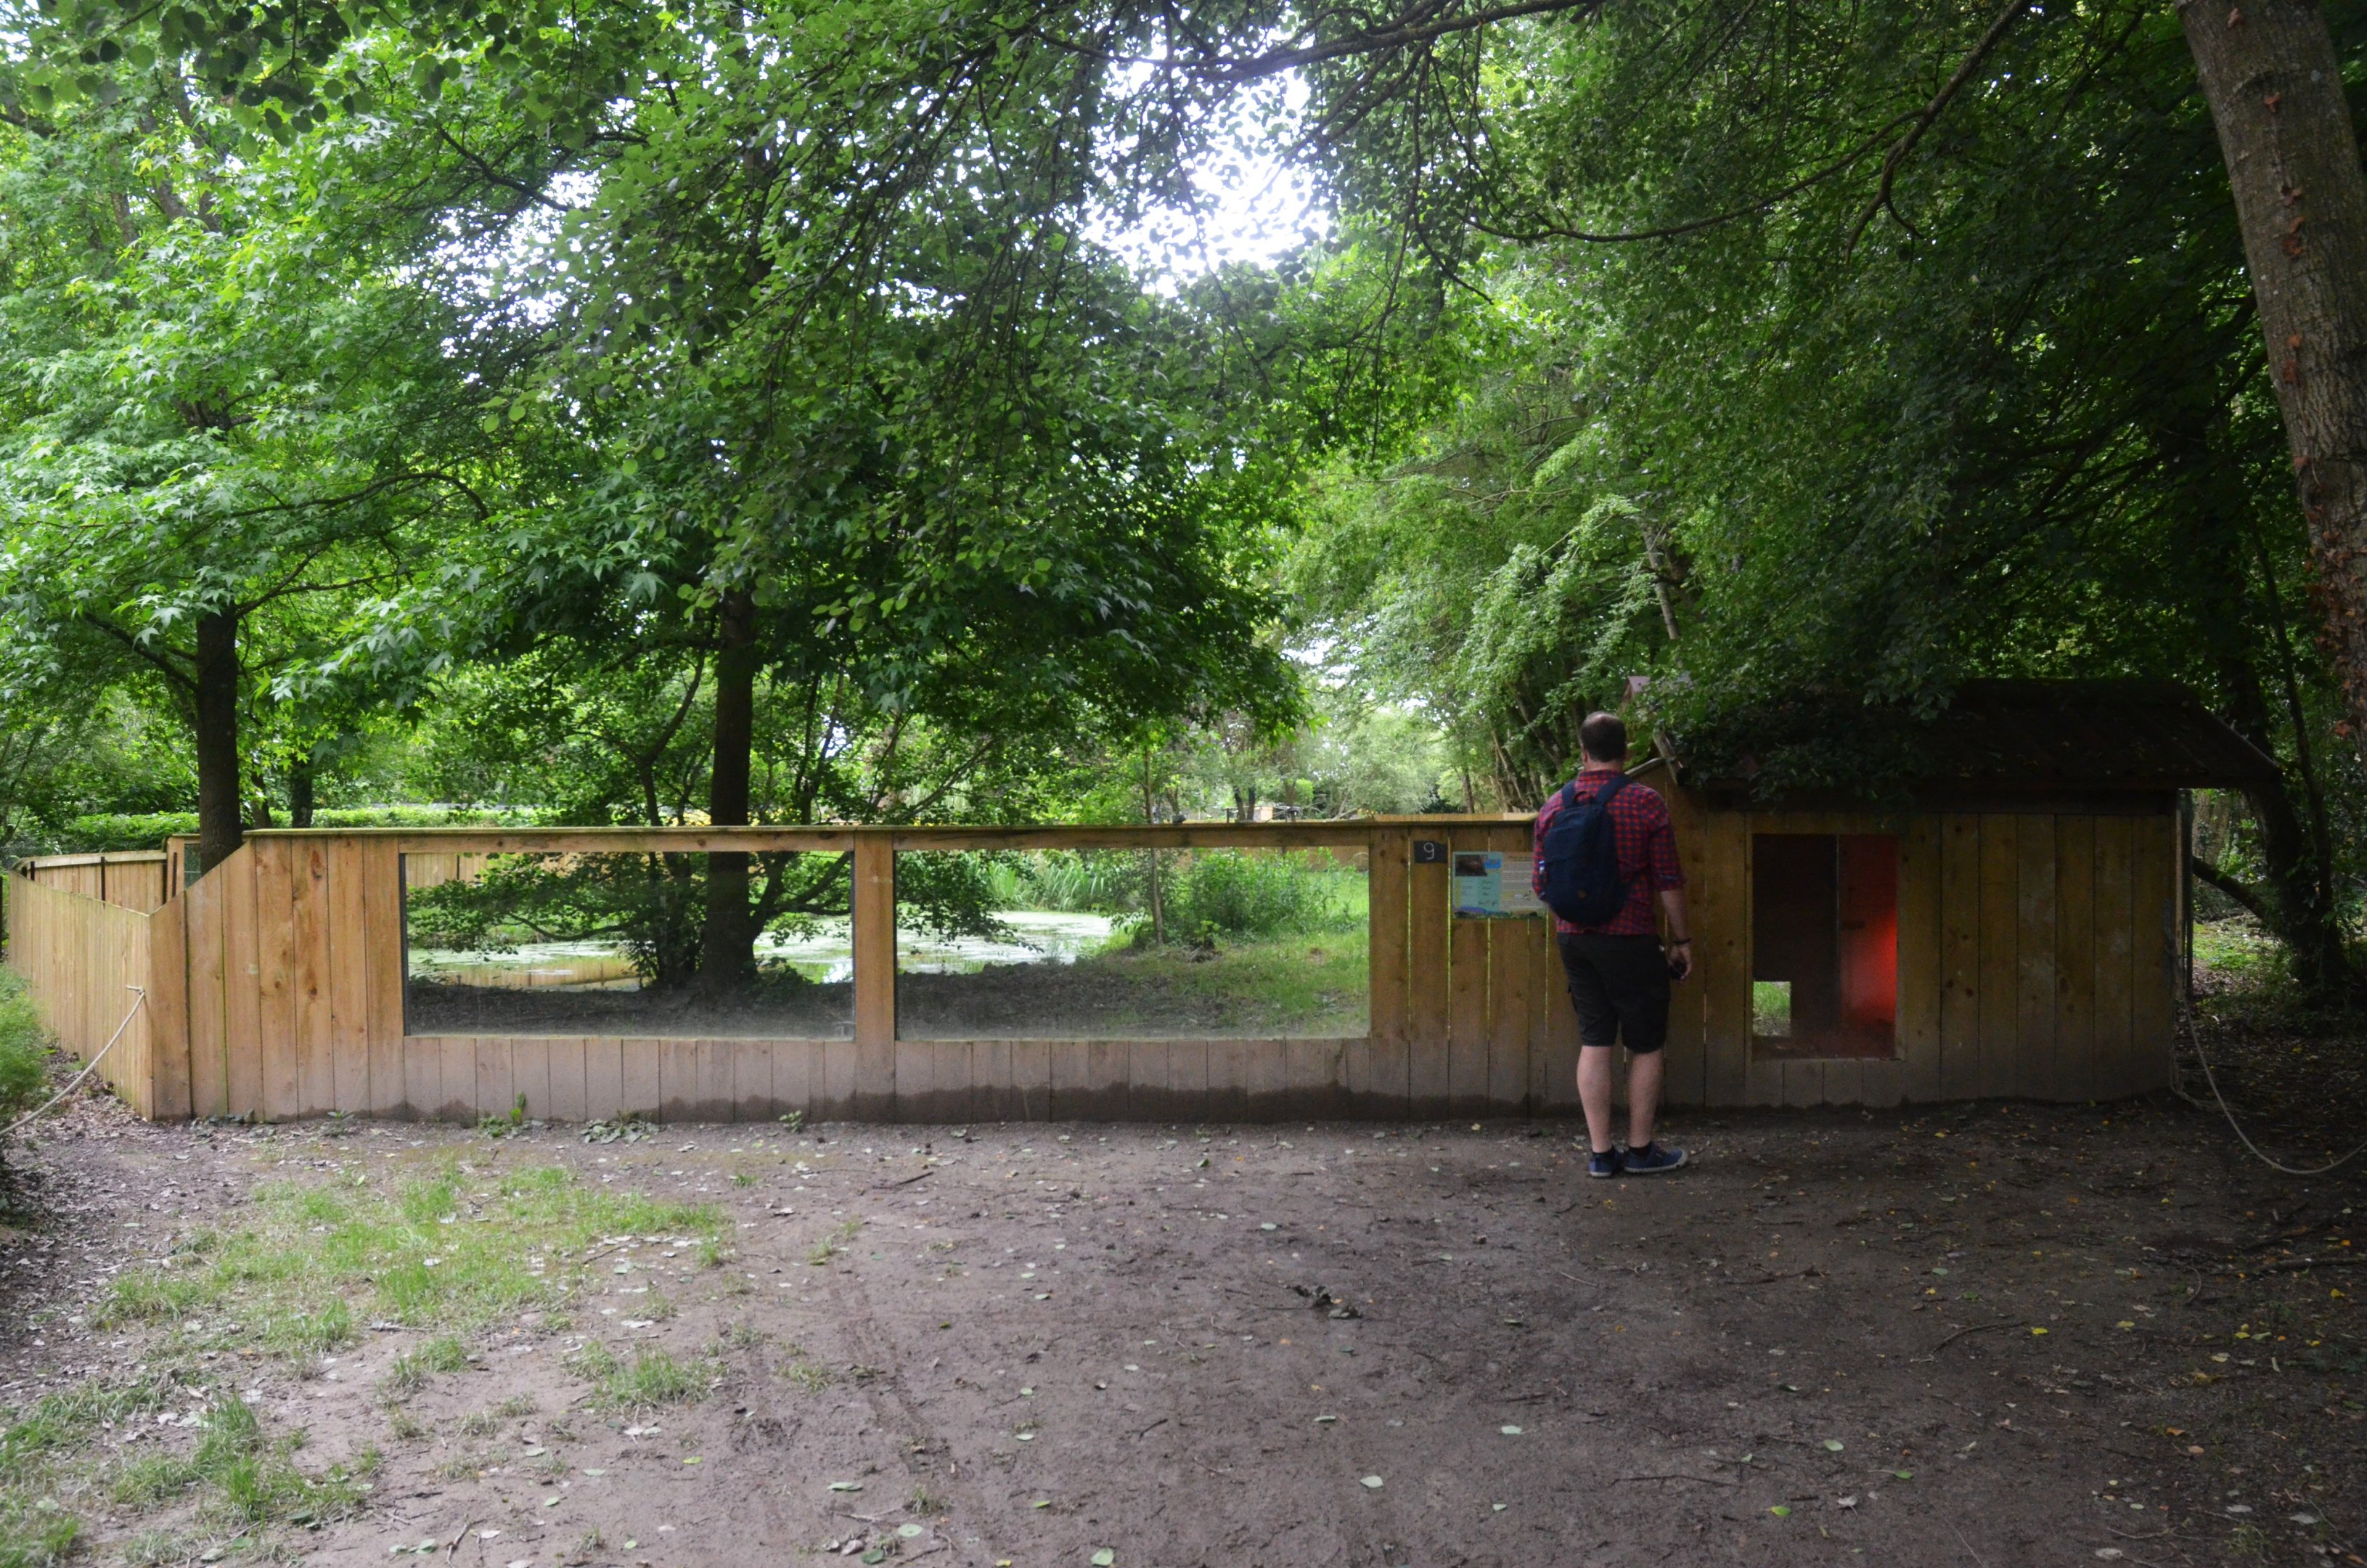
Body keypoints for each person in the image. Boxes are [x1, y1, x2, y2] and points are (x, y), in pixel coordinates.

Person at [1530, 711, 1693, 1179]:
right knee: (1645, 1045)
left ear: (1582, 752)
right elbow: (1668, 879)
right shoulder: (1645, 803)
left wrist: (1577, 919)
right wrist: (1682, 940)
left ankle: (1601, 1155)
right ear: (1628, 751)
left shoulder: (1553, 806)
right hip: (1631, 938)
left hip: (1575, 942)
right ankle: (1641, 1151)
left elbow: (1544, 885)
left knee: (1595, 1040)